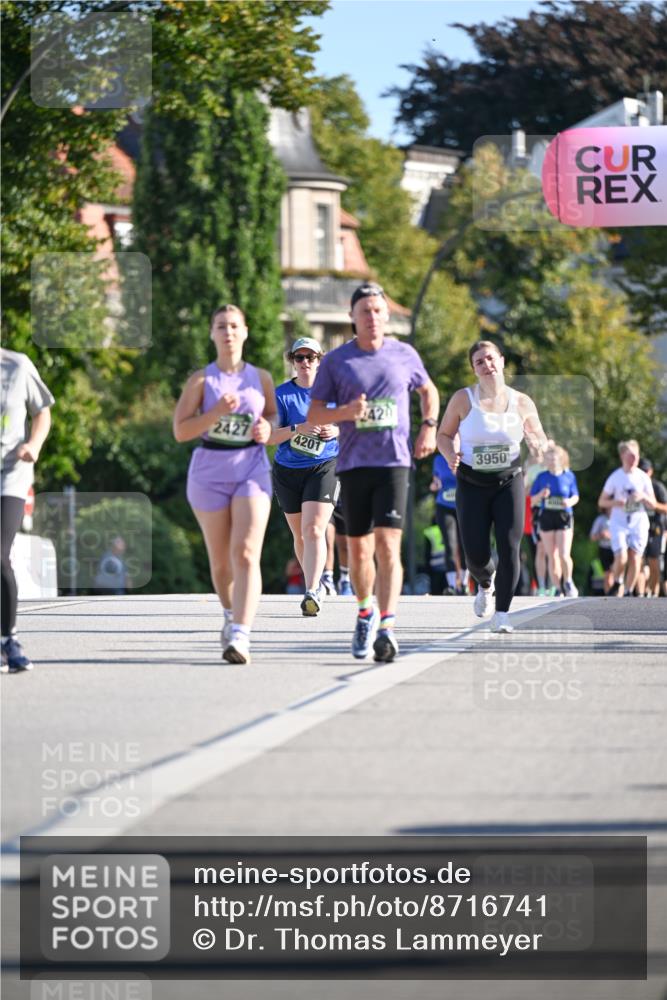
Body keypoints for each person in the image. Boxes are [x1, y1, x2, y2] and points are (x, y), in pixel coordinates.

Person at [308, 282, 439, 662]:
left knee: (388, 545)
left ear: (386, 316)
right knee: (360, 550)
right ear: (352, 317)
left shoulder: (404, 354)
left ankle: (387, 626)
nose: (372, 317)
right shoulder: (336, 361)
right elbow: (314, 414)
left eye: (378, 311)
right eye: (365, 311)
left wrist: (429, 426)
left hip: (394, 462)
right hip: (353, 465)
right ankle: (365, 611)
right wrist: (345, 414)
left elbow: (428, 390)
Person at [173, 304, 276, 664]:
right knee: (221, 564)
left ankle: (241, 634)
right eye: (221, 326)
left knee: (246, 552)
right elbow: (181, 430)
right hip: (209, 473)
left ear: (246, 331)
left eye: (234, 325)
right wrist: (214, 414)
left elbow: (273, 416)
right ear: (212, 333)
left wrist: (267, 428)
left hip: (251, 468)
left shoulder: (261, 378)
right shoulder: (201, 381)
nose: (228, 332)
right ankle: (231, 614)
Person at [436, 340, 549, 633]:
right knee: (475, 553)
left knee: (510, 547)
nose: (487, 366)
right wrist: (450, 455)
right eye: (479, 362)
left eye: (490, 359)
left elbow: (538, 435)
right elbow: (444, 435)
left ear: (501, 360)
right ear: (474, 369)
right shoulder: (463, 399)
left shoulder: (522, 401)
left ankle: (502, 614)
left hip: (509, 481)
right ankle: (485, 583)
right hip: (471, 482)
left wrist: (537, 445)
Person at [269, 337, 339, 617]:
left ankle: (312, 590)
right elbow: (270, 437)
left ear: (320, 361)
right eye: (300, 357)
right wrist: (298, 428)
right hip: (288, 471)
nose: (306, 362)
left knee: (313, 529)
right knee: (299, 535)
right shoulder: (281, 394)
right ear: (293, 362)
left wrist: (337, 432)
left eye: (311, 357)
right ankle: (317, 581)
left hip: (324, 466)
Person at [1, 348, 54, 672]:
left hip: (10, 475)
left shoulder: (17, 366)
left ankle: (8, 638)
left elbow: (43, 412)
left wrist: (33, 445)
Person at [597, 440, 656, 597]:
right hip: (619, 522)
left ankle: (629, 592)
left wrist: (643, 496)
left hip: (638, 521)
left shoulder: (643, 478)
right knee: (622, 556)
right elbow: (602, 501)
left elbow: (653, 504)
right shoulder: (615, 477)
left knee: (635, 558)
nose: (634, 458)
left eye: (636, 455)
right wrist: (616, 502)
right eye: (630, 455)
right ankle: (617, 582)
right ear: (622, 455)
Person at [530, 445, 579, 597]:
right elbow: (531, 501)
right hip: (547, 516)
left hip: (564, 515)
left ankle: (568, 581)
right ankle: (558, 588)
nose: (552, 462)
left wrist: (569, 502)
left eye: (554, 459)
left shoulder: (569, 476)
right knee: (552, 555)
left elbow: (576, 496)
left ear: (561, 459)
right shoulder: (541, 477)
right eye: (549, 459)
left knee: (564, 554)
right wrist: (541, 495)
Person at [430, 451, 467, 594]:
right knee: (450, 545)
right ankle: (452, 585)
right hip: (444, 506)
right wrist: (435, 484)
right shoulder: (438, 459)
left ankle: (464, 584)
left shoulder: (465, 456)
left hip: (463, 505)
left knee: (465, 545)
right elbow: (435, 480)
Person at [638, 457, 667, 597]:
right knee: (639, 561)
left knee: (654, 561)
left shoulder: (658, 487)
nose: (643, 473)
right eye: (641, 470)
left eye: (645, 471)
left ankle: (653, 592)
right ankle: (640, 593)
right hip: (637, 527)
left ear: (650, 471)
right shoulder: (634, 487)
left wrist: (653, 505)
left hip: (655, 528)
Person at [589, 509, 614, 594]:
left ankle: (619, 596)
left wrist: (612, 536)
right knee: (607, 575)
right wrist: (602, 535)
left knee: (617, 575)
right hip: (604, 549)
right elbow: (592, 537)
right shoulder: (600, 519)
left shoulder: (620, 518)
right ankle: (609, 596)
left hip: (617, 550)